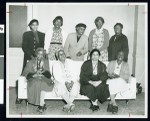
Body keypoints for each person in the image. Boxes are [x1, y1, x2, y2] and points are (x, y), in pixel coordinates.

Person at [16, 19, 45, 104]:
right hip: (28, 57)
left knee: (36, 74)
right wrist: (31, 55)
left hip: (38, 58)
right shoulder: (26, 34)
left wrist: (38, 56)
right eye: (33, 25)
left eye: (36, 24)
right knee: (24, 74)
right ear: (30, 26)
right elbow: (24, 47)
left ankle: (33, 95)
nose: (35, 26)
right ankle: (19, 96)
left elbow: (42, 47)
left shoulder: (42, 34)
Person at [21, 48, 53, 112]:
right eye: (39, 54)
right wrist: (33, 75)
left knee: (43, 83)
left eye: (42, 54)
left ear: (43, 55)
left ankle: (41, 105)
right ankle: (42, 105)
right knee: (37, 82)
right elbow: (25, 72)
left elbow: (49, 74)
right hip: (34, 78)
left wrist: (42, 73)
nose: (40, 56)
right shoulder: (31, 62)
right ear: (36, 54)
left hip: (44, 78)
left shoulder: (46, 62)